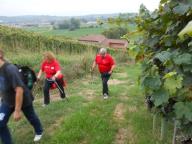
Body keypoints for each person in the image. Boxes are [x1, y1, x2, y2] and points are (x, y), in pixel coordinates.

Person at [0, 49, 43, 144]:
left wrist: (17, 110)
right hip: (7, 101)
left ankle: (39, 131)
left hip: (23, 99)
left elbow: (19, 90)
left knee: (31, 117)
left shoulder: (9, 69)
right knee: (0, 124)